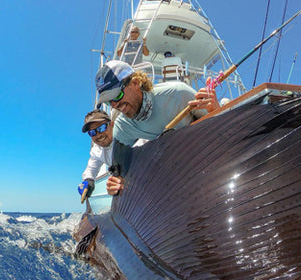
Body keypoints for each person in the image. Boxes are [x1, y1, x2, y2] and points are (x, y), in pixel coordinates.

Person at [94, 60, 219, 195]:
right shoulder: (122, 128)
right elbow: (119, 171)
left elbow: (218, 128)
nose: (115, 105)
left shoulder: (178, 93)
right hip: (175, 181)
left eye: (117, 95)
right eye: (108, 101)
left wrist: (215, 108)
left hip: (207, 161)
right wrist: (115, 183)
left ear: (135, 83)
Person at [78, 109, 114, 201]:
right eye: (92, 132)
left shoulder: (129, 136)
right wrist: (88, 180)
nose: (98, 135)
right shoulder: (97, 150)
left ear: (112, 125)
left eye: (101, 128)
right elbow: (91, 169)